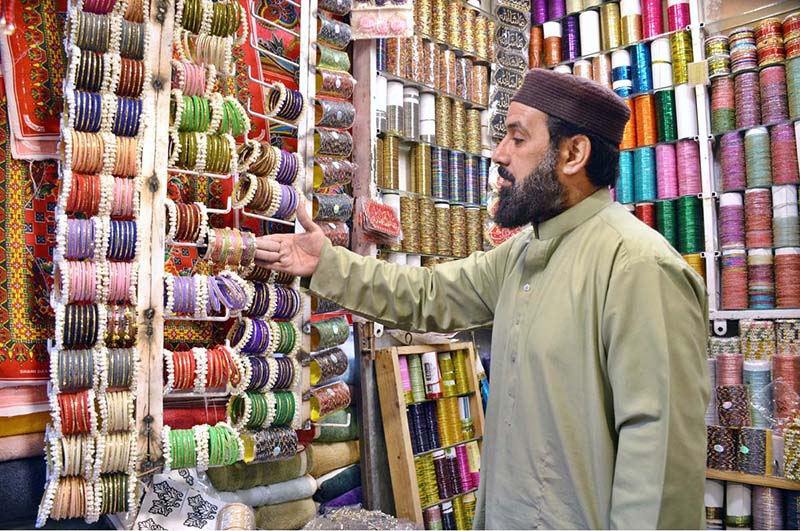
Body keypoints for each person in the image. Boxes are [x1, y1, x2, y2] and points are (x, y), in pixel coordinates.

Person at [255, 69, 710, 529]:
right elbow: (428, 294)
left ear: (574, 153)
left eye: (517, 138)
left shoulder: (639, 268)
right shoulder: (521, 255)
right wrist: (327, 265)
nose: (499, 155)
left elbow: (660, 461)